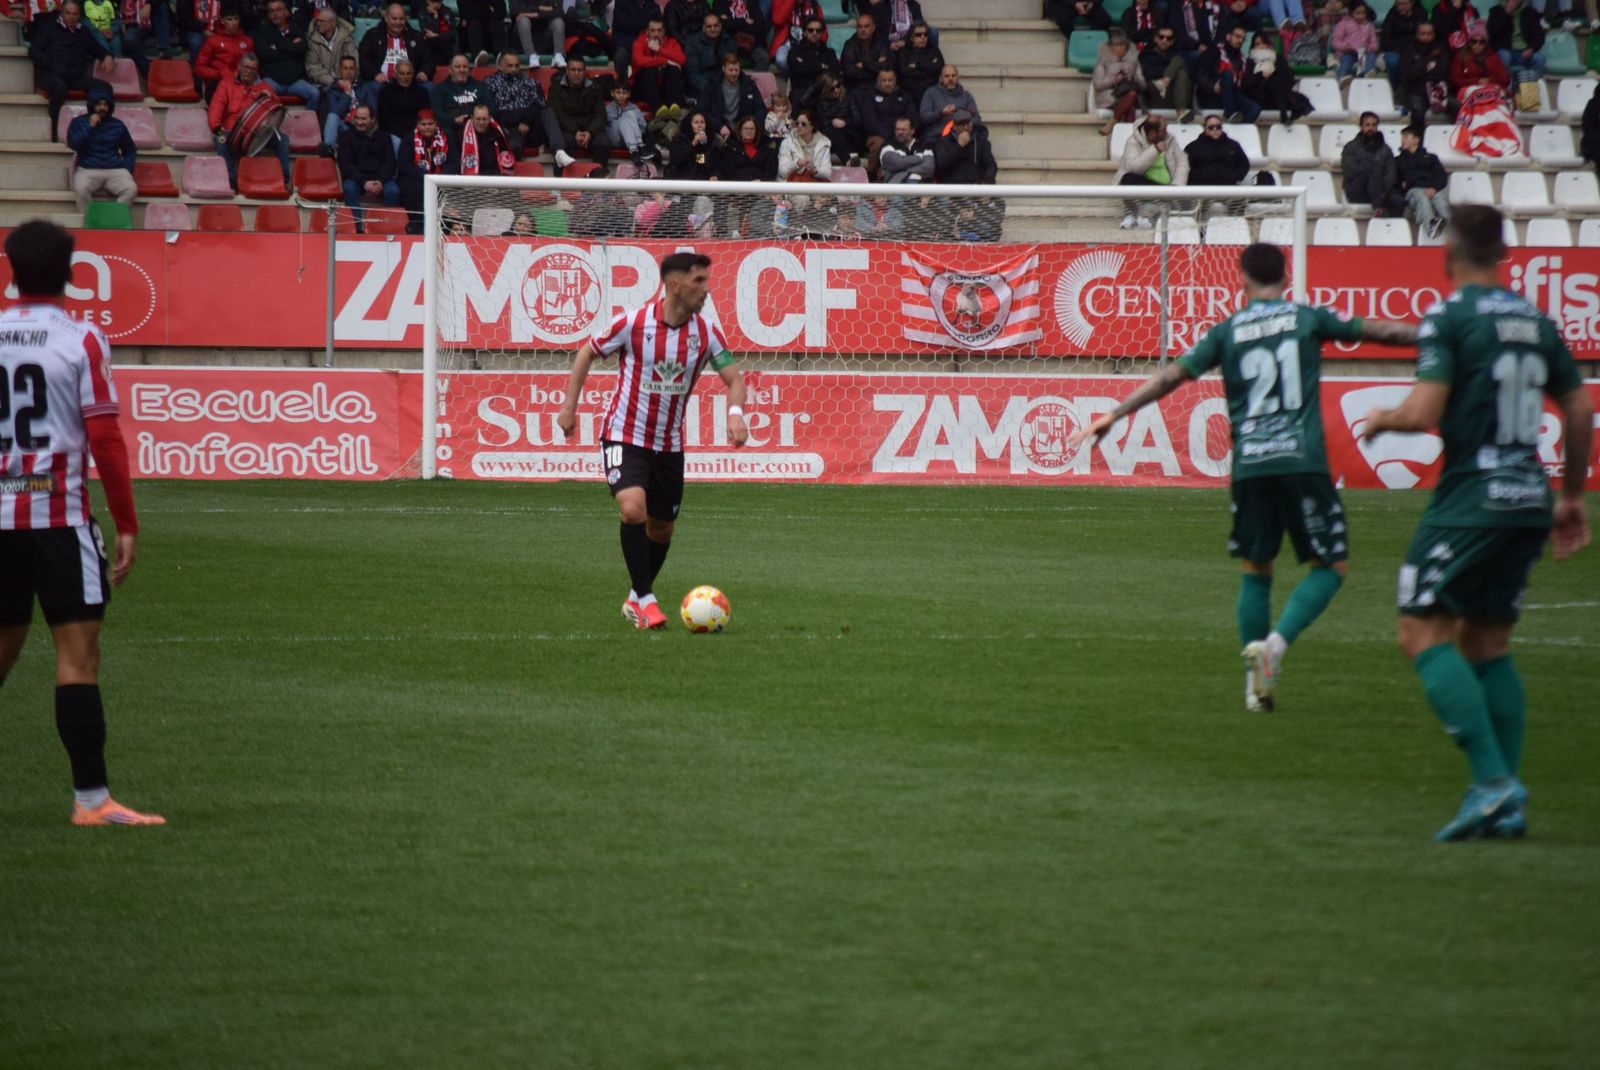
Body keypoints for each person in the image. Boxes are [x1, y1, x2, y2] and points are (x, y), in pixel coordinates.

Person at [1065, 243, 1418, 713]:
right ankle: (1276, 644)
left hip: (1251, 465)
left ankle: (1254, 686)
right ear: (1286, 277)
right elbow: (1378, 330)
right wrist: (1435, 331)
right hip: (1302, 461)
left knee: (1256, 568)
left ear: (1242, 279)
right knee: (1331, 567)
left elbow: (1172, 376)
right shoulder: (1306, 317)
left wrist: (1115, 413)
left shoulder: (1227, 330)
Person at [1358, 205, 1591, 842]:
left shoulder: (1450, 314)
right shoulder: (1535, 319)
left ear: (1449, 252)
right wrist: (1571, 497)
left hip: (1471, 497)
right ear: (1505, 252)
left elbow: (1426, 408)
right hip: (1528, 495)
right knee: (1487, 644)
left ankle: (1492, 782)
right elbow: (1577, 406)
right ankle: (1504, 803)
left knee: (1420, 632)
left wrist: (1385, 417)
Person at [0, 220, 164, 828]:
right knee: (77, 660)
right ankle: (91, 802)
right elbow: (104, 436)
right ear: (71, 272)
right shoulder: (82, 339)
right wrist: (127, 522)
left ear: (11, 270)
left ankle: (93, 803)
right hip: (58, 520)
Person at [555, 252, 750, 631]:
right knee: (632, 508)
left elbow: (734, 380)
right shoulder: (632, 323)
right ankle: (647, 601)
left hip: (669, 444)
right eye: (699, 281)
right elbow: (586, 353)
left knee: (661, 529)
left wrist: (736, 415)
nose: (706, 290)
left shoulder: (707, 332)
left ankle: (634, 596)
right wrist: (569, 407)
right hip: (624, 434)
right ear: (675, 284)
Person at [32, 0, 113, 140]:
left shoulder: (83, 31)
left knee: (104, 88)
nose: (71, 17)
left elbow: (95, 47)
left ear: (79, 15)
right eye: (68, 13)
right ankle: (55, 129)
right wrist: (49, 64)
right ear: (61, 13)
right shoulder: (48, 28)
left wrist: (106, 55)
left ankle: (98, 126)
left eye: (75, 14)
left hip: (74, 77)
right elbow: (33, 51)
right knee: (59, 87)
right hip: (49, 74)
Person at [210, 52, 292, 186]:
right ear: (239, 66)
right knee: (220, 139)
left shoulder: (264, 86)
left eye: (252, 69)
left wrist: (270, 97)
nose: (248, 71)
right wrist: (217, 127)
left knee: (283, 139)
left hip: (258, 132)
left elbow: (277, 107)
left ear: (256, 71)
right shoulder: (226, 84)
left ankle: (283, 181)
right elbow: (215, 108)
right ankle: (231, 181)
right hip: (232, 131)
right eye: (246, 67)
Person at [67, 83, 136, 215]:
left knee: (131, 189)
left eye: (105, 104)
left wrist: (127, 167)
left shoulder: (118, 125)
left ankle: (114, 218)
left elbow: (130, 149)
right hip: (88, 169)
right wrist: (90, 126)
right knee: (81, 188)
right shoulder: (78, 122)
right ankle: (89, 220)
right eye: (98, 104)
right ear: (92, 105)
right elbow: (74, 144)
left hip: (115, 169)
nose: (102, 108)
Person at [1114, 113, 1187, 228]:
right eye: (1163, 130)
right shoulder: (1133, 141)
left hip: (1167, 187)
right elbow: (1134, 167)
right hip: (1145, 185)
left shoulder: (1170, 139)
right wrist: (1155, 150)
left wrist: (1177, 186)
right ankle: (1132, 214)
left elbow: (1182, 162)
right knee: (1128, 178)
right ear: (1153, 133)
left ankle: (1153, 209)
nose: (1166, 132)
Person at [337, 103, 399, 230]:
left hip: (380, 179)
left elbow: (390, 162)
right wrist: (364, 182)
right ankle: (357, 229)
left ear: (372, 119)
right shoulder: (346, 137)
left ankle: (386, 228)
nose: (359, 122)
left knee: (394, 191)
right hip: (357, 179)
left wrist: (381, 181)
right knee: (349, 189)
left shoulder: (384, 136)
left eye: (363, 119)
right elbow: (345, 164)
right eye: (357, 118)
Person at [544, 56, 613, 169]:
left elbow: (600, 115)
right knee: (566, 142)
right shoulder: (556, 88)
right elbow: (557, 114)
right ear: (567, 71)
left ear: (585, 71)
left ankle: (599, 180)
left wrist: (589, 132)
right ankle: (562, 181)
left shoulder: (595, 88)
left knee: (603, 142)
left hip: (589, 129)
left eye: (580, 70)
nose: (576, 73)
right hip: (566, 129)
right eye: (573, 70)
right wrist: (575, 131)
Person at [253, 0, 319, 110]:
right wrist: (291, 48)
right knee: (260, 95)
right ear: (268, 14)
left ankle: (306, 124)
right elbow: (265, 54)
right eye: (271, 11)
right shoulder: (262, 32)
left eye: (278, 10)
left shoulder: (296, 29)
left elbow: (301, 49)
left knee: (315, 94)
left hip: (296, 81)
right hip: (272, 81)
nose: (275, 14)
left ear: (286, 12)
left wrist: (277, 46)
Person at [850, 66, 914, 177]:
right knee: (878, 143)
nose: (887, 83)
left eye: (890, 80)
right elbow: (870, 122)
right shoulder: (870, 96)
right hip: (879, 134)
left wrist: (902, 131)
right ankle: (871, 176)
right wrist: (890, 135)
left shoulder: (904, 96)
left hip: (902, 132)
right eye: (884, 80)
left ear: (895, 80)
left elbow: (913, 118)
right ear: (878, 81)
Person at [482, 49, 546, 156]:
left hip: (526, 127)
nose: (514, 69)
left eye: (517, 65)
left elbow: (538, 104)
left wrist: (526, 120)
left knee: (514, 144)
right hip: (500, 127)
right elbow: (488, 107)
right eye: (510, 66)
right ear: (500, 66)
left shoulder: (530, 83)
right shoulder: (489, 83)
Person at [1341, 110, 1403, 217]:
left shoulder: (1385, 149)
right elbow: (1350, 170)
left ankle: (1393, 230)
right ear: (1361, 127)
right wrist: (1373, 175)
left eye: (1374, 125)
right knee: (1374, 170)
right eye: (1367, 125)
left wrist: (1383, 190)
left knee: (1397, 200)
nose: (1371, 128)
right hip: (1358, 190)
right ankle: (1378, 206)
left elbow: (1391, 173)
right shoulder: (1350, 147)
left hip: (1383, 191)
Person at [1197, 22, 1262, 122]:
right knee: (1227, 74)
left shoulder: (1242, 59)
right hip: (1212, 95)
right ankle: (1230, 113)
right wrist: (1212, 87)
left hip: (1232, 94)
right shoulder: (1213, 51)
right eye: (1237, 36)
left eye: (1243, 39)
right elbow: (1201, 75)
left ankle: (1238, 131)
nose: (1240, 40)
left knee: (1255, 109)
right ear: (1228, 36)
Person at [1243, 30, 1308, 125]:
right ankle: (1286, 110)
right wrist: (1261, 75)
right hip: (1259, 96)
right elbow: (1246, 85)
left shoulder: (1278, 58)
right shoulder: (1250, 62)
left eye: (1264, 43)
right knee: (1275, 80)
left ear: (1268, 44)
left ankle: (1284, 113)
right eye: (1258, 44)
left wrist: (1273, 71)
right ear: (1253, 46)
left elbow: (1289, 78)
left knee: (1275, 79)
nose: (1261, 46)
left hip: (1277, 95)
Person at [1395, 124, 1449, 238]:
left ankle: (1458, 233)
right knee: (1422, 200)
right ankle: (1431, 228)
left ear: (1416, 139)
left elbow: (1441, 176)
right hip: (1413, 190)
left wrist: (1434, 188)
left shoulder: (1431, 157)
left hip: (1432, 188)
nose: (1402, 140)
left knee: (1442, 203)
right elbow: (1395, 180)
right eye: (1402, 137)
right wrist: (1403, 185)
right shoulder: (1398, 160)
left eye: (1406, 136)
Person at [397, 107, 447, 230]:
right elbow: (404, 165)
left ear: (436, 124)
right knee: (412, 189)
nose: (427, 127)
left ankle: (442, 228)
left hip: (441, 178)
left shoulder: (446, 137)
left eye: (430, 124)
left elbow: (454, 163)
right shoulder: (409, 139)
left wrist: (438, 176)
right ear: (417, 125)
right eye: (423, 124)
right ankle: (416, 228)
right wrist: (427, 177)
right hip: (416, 180)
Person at [702, 51, 767, 140]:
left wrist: (751, 124)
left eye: (736, 70)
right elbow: (703, 110)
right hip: (719, 130)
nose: (734, 73)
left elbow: (761, 109)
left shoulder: (749, 85)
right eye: (731, 70)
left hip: (744, 130)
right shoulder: (712, 85)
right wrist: (719, 126)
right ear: (723, 68)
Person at [1396, 19, 1453, 121]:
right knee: (1418, 108)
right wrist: (1426, 65)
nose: (1426, 36)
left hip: (1436, 91)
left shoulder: (1441, 50)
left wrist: (1421, 70)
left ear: (1434, 34)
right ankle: (1418, 136)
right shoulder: (1408, 50)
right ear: (1417, 34)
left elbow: (1442, 72)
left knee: (1457, 106)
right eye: (1422, 33)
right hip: (1414, 91)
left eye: (1429, 34)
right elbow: (1406, 75)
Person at [359, 2, 428, 86]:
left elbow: (428, 59)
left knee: (429, 87)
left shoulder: (416, 37)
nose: (398, 22)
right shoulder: (372, 36)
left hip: (410, 85)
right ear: (386, 18)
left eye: (401, 19)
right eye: (394, 19)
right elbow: (364, 60)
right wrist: (375, 74)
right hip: (381, 84)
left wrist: (424, 72)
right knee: (371, 87)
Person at [1091, 30, 1144, 134]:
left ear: (1127, 46)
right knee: (1131, 106)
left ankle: (1112, 122)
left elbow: (1143, 84)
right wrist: (1115, 79)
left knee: (1132, 94)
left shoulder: (1134, 60)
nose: (1119, 48)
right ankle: (1129, 136)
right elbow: (1097, 84)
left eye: (1121, 45)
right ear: (1110, 47)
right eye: (1115, 45)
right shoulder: (1102, 60)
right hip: (1110, 95)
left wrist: (1134, 77)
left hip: (1130, 92)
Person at [631, 16, 687, 111]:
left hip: (664, 88)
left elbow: (682, 59)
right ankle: (656, 109)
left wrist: (659, 49)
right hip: (642, 87)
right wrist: (665, 61)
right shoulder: (639, 42)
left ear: (664, 31)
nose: (656, 34)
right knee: (650, 69)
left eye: (659, 30)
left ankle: (673, 106)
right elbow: (639, 61)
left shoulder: (672, 42)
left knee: (673, 69)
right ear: (647, 31)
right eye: (652, 30)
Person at [195, 7, 253, 95]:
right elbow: (199, 68)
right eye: (229, 19)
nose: (234, 23)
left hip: (243, 82)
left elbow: (254, 65)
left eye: (236, 19)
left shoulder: (248, 41)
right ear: (222, 21)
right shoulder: (213, 41)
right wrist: (218, 74)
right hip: (219, 82)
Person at [684, 10, 737, 105]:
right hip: (701, 86)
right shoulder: (692, 43)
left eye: (716, 26)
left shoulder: (728, 41)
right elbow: (692, 74)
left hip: (724, 84)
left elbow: (733, 67)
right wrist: (711, 88)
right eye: (709, 26)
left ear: (720, 26)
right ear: (703, 28)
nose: (713, 29)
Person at [1140, 25, 1193, 118]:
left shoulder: (1178, 53)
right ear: (1156, 39)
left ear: (1172, 42)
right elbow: (1148, 73)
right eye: (1161, 37)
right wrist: (1169, 71)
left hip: (1177, 94)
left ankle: (1181, 111)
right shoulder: (1146, 54)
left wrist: (1166, 77)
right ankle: (1180, 111)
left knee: (1181, 71)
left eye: (1169, 38)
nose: (1164, 40)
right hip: (1157, 95)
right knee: (1178, 64)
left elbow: (1190, 74)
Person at [449, 100, 516, 173]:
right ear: (472, 118)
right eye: (478, 119)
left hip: (495, 178)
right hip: (470, 180)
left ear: (489, 118)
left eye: (484, 119)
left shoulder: (499, 134)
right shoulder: (461, 136)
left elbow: (505, 162)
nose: (481, 122)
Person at [431, 51, 486, 137]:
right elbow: (437, 113)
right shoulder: (440, 88)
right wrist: (454, 121)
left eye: (465, 67)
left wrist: (478, 119)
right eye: (457, 67)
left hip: (478, 126)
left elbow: (491, 108)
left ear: (469, 69)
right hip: (452, 128)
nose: (462, 70)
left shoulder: (480, 86)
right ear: (450, 70)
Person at [1487, 0, 1544, 82]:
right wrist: (1506, 13)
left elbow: (1539, 35)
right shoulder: (1496, 10)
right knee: (1505, 56)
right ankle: (1506, 87)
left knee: (1540, 59)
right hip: (1505, 49)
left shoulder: (1530, 12)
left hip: (1524, 51)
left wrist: (1532, 49)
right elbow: (1493, 33)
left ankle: (1533, 87)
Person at [1185, 113, 1249, 186]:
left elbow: (1244, 163)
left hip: (1228, 187)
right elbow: (1185, 167)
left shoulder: (1233, 145)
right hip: (1201, 188)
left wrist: (1236, 176)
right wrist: (1198, 176)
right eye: (1211, 127)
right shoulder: (1193, 147)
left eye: (1218, 127)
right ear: (1205, 129)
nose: (1215, 129)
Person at [376, 58, 432, 141]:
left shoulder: (422, 92)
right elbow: (384, 120)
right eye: (402, 74)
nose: (406, 77)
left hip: (417, 133)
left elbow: (424, 116)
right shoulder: (385, 92)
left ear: (413, 74)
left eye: (409, 73)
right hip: (394, 134)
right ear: (395, 74)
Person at [785, 17, 839, 103]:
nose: (814, 33)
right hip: (802, 94)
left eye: (818, 30)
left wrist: (805, 66)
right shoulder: (795, 51)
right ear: (805, 32)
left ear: (822, 33)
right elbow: (796, 70)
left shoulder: (830, 52)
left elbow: (834, 72)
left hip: (824, 93)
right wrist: (821, 66)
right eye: (810, 30)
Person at [919, 63, 977, 141]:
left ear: (958, 78)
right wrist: (941, 113)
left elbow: (977, 118)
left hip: (960, 138)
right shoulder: (930, 93)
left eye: (953, 76)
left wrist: (961, 116)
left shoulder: (966, 96)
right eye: (947, 76)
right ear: (941, 78)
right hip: (937, 138)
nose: (950, 79)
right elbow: (924, 118)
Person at [305, 7, 357, 94]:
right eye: (318, 20)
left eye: (322, 21)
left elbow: (354, 62)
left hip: (347, 82)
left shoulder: (346, 38)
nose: (318, 24)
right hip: (323, 84)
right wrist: (335, 82)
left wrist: (345, 81)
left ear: (333, 23)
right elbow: (313, 68)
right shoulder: (312, 40)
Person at [1379, 0, 1424, 91]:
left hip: (1415, 49)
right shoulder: (1392, 15)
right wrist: (1400, 49)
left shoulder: (1421, 14)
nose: (1400, 7)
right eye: (1398, 4)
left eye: (1404, 4)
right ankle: (1396, 89)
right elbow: (1385, 38)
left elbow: (1423, 35)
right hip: (1396, 49)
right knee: (1393, 61)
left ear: (1412, 3)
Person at [892, 19, 941, 104]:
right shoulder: (904, 52)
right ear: (911, 37)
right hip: (910, 91)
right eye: (918, 35)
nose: (923, 37)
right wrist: (928, 67)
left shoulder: (934, 51)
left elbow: (939, 69)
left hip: (930, 89)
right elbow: (904, 72)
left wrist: (916, 66)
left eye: (925, 34)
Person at [840, 10, 889, 92]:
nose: (863, 29)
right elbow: (849, 71)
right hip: (857, 87)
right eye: (860, 26)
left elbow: (887, 67)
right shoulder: (850, 44)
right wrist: (875, 67)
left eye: (866, 26)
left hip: (879, 86)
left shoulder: (881, 42)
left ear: (873, 28)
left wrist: (864, 64)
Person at [714, 0, 771, 71]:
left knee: (763, 58)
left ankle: (753, 82)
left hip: (750, 42)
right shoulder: (720, 2)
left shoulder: (751, 2)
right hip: (729, 42)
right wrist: (744, 21)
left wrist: (735, 25)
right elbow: (724, 25)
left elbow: (759, 26)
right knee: (722, 56)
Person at [1332, 0, 1378, 84]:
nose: (1361, 16)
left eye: (1363, 13)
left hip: (1363, 52)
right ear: (1351, 13)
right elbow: (1335, 42)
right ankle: (1341, 78)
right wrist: (1344, 46)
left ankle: (1368, 73)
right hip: (1348, 52)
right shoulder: (1343, 24)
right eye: (1358, 13)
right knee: (1346, 60)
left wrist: (1370, 48)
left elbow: (1374, 43)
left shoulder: (1369, 26)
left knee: (1371, 56)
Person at [510, 0, 567, 67]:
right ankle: (531, 55)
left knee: (558, 21)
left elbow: (560, 12)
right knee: (523, 20)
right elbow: (514, 10)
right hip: (521, 36)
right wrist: (540, 8)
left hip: (544, 34)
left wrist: (535, 14)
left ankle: (558, 55)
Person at [778, 108, 832, 178]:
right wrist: (797, 164)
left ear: (812, 126)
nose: (799, 126)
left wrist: (816, 171)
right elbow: (782, 172)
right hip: (794, 185)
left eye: (803, 124)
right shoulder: (786, 143)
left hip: (816, 185)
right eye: (797, 123)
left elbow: (828, 172)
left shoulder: (823, 143)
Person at [878, 112, 931, 181]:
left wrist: (899, 170)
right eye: (897, 129)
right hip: (895, 185)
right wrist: (918, 159)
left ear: (912, 131)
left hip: (921, 185)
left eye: (903, 130)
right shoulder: (887, 145)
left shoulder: (923, 144)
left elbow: (929, 167)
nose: (900, 132)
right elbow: (894, 164)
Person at [604, 81, 650, 162]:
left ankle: (633, 150)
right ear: (612, 93)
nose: (621, 95)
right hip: (616, 138)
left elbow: (643, 127)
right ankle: (640, 145)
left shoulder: (634, 108)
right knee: (628, 115)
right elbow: (611, 127)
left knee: (630, 114)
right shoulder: (608, 108)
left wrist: (632, 130)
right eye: (618, 92)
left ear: (628, 94)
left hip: (632, 138)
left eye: (624, 93)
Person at [417, 0, 456, 71]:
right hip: (430, 44)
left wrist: (437, 35)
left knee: (445, 41)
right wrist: (435, 17)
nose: (437, 4)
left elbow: (451, 32)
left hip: (445, 44)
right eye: (434, 2)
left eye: (439, 2)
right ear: (428, 1)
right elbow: (426, 31)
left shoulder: (447, 11)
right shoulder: (422, 12)